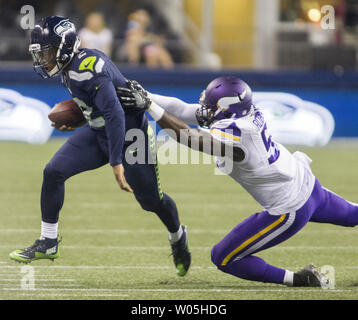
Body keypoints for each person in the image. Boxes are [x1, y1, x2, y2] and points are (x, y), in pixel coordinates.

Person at [116, 77, 358, 287]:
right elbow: (183, 109)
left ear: (225, 108)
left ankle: (300, 279)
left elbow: (189, 137)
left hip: (290, 207)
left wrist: (150, 107)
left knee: (223, 257)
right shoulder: (244, 112)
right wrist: (147, 96)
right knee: (354, 215)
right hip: (307, 183)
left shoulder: (239, 134)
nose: (204, 109)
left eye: (210, 106)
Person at [9, 16, 191, 277]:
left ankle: (177, 236)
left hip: (130, 136)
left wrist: (116, 162)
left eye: (48, 52)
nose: (44, 60)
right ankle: (48, 242)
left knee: (150, 201)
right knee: (53, 171)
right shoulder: (71, 65)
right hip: (99, 132)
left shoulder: (89, 68)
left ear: (65, 46)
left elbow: (115, 113)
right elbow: (97, 106)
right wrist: (77, 120)